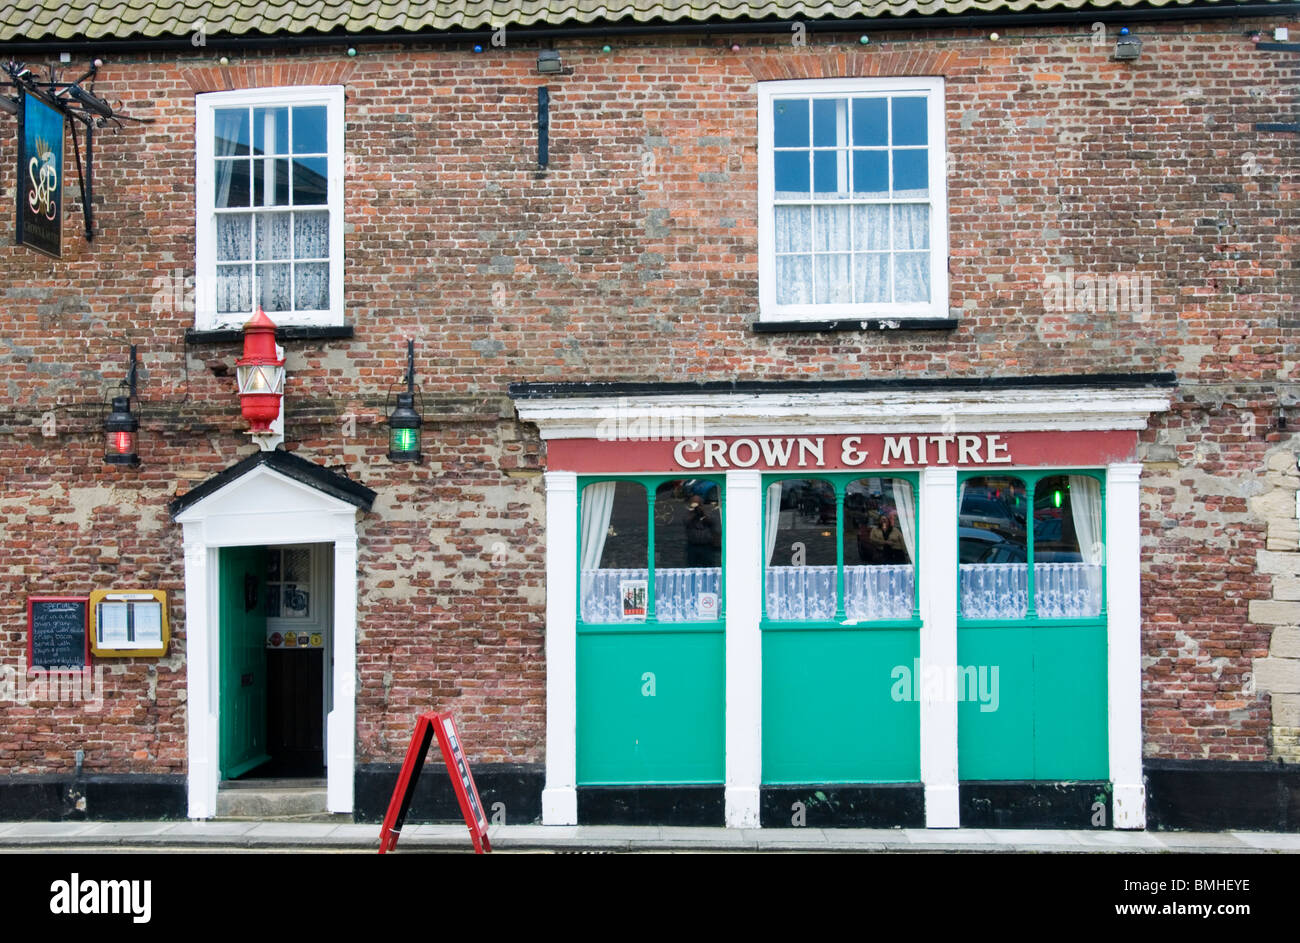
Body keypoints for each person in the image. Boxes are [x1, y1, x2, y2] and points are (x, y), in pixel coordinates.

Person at [684, 495, 720, 567]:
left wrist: (703, 512)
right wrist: (694, 513)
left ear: (701, 503)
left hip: (706, 546)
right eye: (694, 503)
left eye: (698, 503)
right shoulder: (688, 513)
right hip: (692, 546)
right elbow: (686, 522)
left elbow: (712, 522)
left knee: (709, 566)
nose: (696, 506)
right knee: (692, 567)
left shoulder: (707, 512)